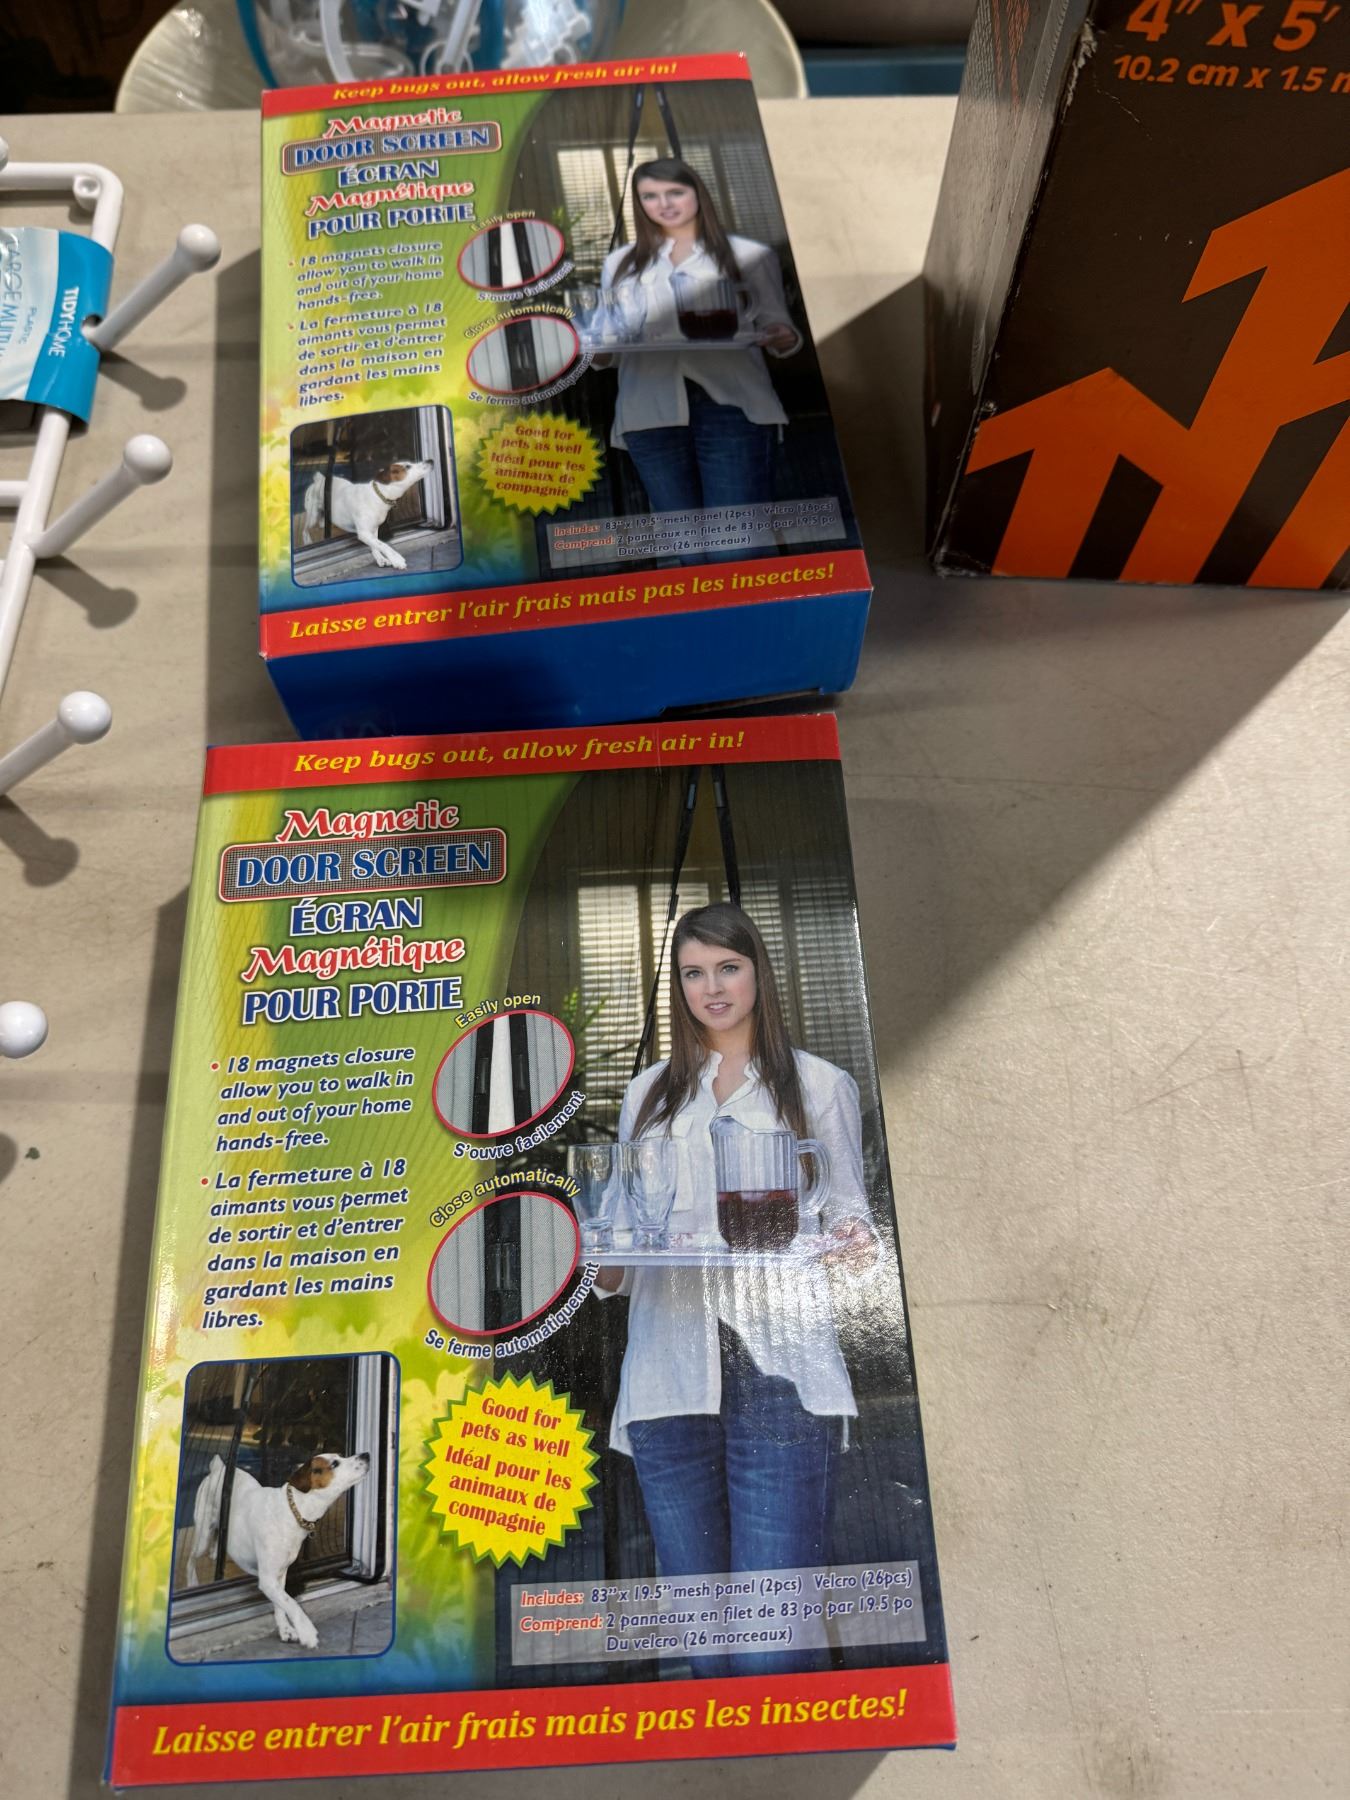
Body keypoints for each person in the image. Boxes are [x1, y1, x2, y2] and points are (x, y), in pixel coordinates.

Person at [594, 903, 877, 1676]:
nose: (712, 988)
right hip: (668, 1376)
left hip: (782, 1375)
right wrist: (584, 1253)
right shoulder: (648, 1095)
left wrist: (851, 1246)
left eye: (728, 968)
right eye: (694, 973)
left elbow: (852, 1225)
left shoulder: (818, 1085)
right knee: (703, 1644)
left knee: (770, 1647)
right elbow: (620, 1246)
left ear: (759, 974)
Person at [598, 159, 802, 522]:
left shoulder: (750, 255)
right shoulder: (619, 263)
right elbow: (607, 346)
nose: (664, 204)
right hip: (648, 411)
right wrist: (586, 348)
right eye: (650, 196)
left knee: (738, 540)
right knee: (683, 540)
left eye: (675, 192)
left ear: (698, 194)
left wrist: (780, 337)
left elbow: (780, 331)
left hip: (735, 406)